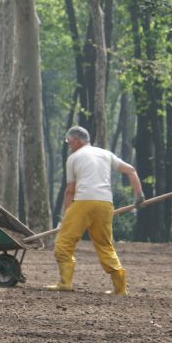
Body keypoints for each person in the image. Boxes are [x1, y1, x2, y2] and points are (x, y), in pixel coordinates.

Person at [47, 126, 144, 295]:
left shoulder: (74, 158)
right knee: (105, 245)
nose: (69, 145)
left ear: (77, 140)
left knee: (64, 243)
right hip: (105, 203)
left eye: (69, 141)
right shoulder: (106, 154)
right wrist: (139, 195)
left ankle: (65, 283)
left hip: (84, 202)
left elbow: (70, 190)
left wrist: (66, 216)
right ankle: (120, 288)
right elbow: (131, 170)